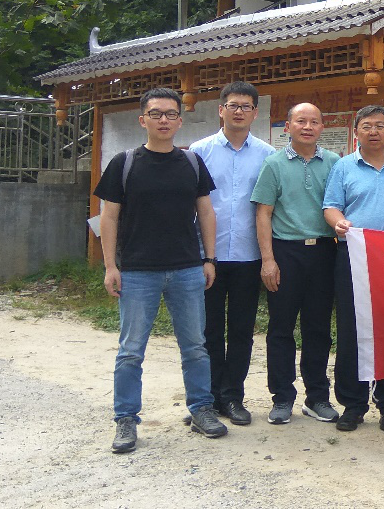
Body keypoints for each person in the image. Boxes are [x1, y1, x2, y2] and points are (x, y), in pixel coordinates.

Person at [95, 87, 225, 453]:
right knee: (131, 350)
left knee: (195, 346)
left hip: (187, 269)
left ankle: (201, 409)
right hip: (138, 271)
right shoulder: (124, 163)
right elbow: (109, 217)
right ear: (143, 120)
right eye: (156, 114)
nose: (163, 120)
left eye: (170, 114)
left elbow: (206, 212)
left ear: (180, 121)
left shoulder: (192, 163)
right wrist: (110, 266)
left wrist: (209, 259)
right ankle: (125, 419)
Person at [323, 105, 384, 432]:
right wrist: (339, 222)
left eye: (380, 125)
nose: (374, 131)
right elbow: (330, 206)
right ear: (356, 132)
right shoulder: (343, 166)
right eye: (367, 126)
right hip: (353, 256)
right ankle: (353, 404)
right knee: (352, 328)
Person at [188, 81, 275, 426]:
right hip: (206, 256)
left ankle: (233, 397)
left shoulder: (267, 154)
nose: (239, 111)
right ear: (221, 110)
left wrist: (268, 257)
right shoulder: (199, 151)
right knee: (207, 331)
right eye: (233, 105)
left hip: (248, 255)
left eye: (246, 106)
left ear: (255, 113)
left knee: (241, 330)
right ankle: (207, 400)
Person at [251, 103, 341, 425]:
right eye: (301, 121)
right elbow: (263, 213)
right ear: (287, 126)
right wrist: (268, 260)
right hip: (285, 253)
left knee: (318, 328)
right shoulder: (273, 164)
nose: (307, 127)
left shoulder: (334, 163)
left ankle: (317, 397)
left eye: (314, 121)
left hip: (324, 252)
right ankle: (282, 398)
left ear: (322, 127)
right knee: (281, 328)